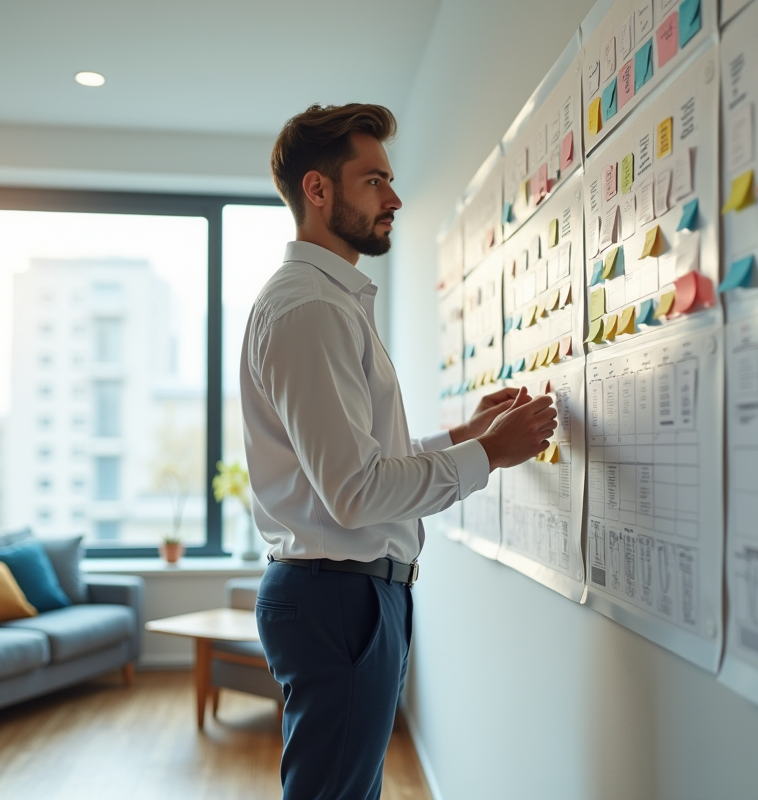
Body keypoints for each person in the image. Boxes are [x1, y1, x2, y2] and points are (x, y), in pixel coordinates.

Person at [240, 103, 558, 800]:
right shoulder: (311, 309)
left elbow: (359, 460)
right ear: (317, 191)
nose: (395, 197)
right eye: (374, 180)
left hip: (348, 593)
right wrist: (490, 457)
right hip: (339, 597)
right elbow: (354, 492)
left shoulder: (330, 301)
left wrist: (466, 437)